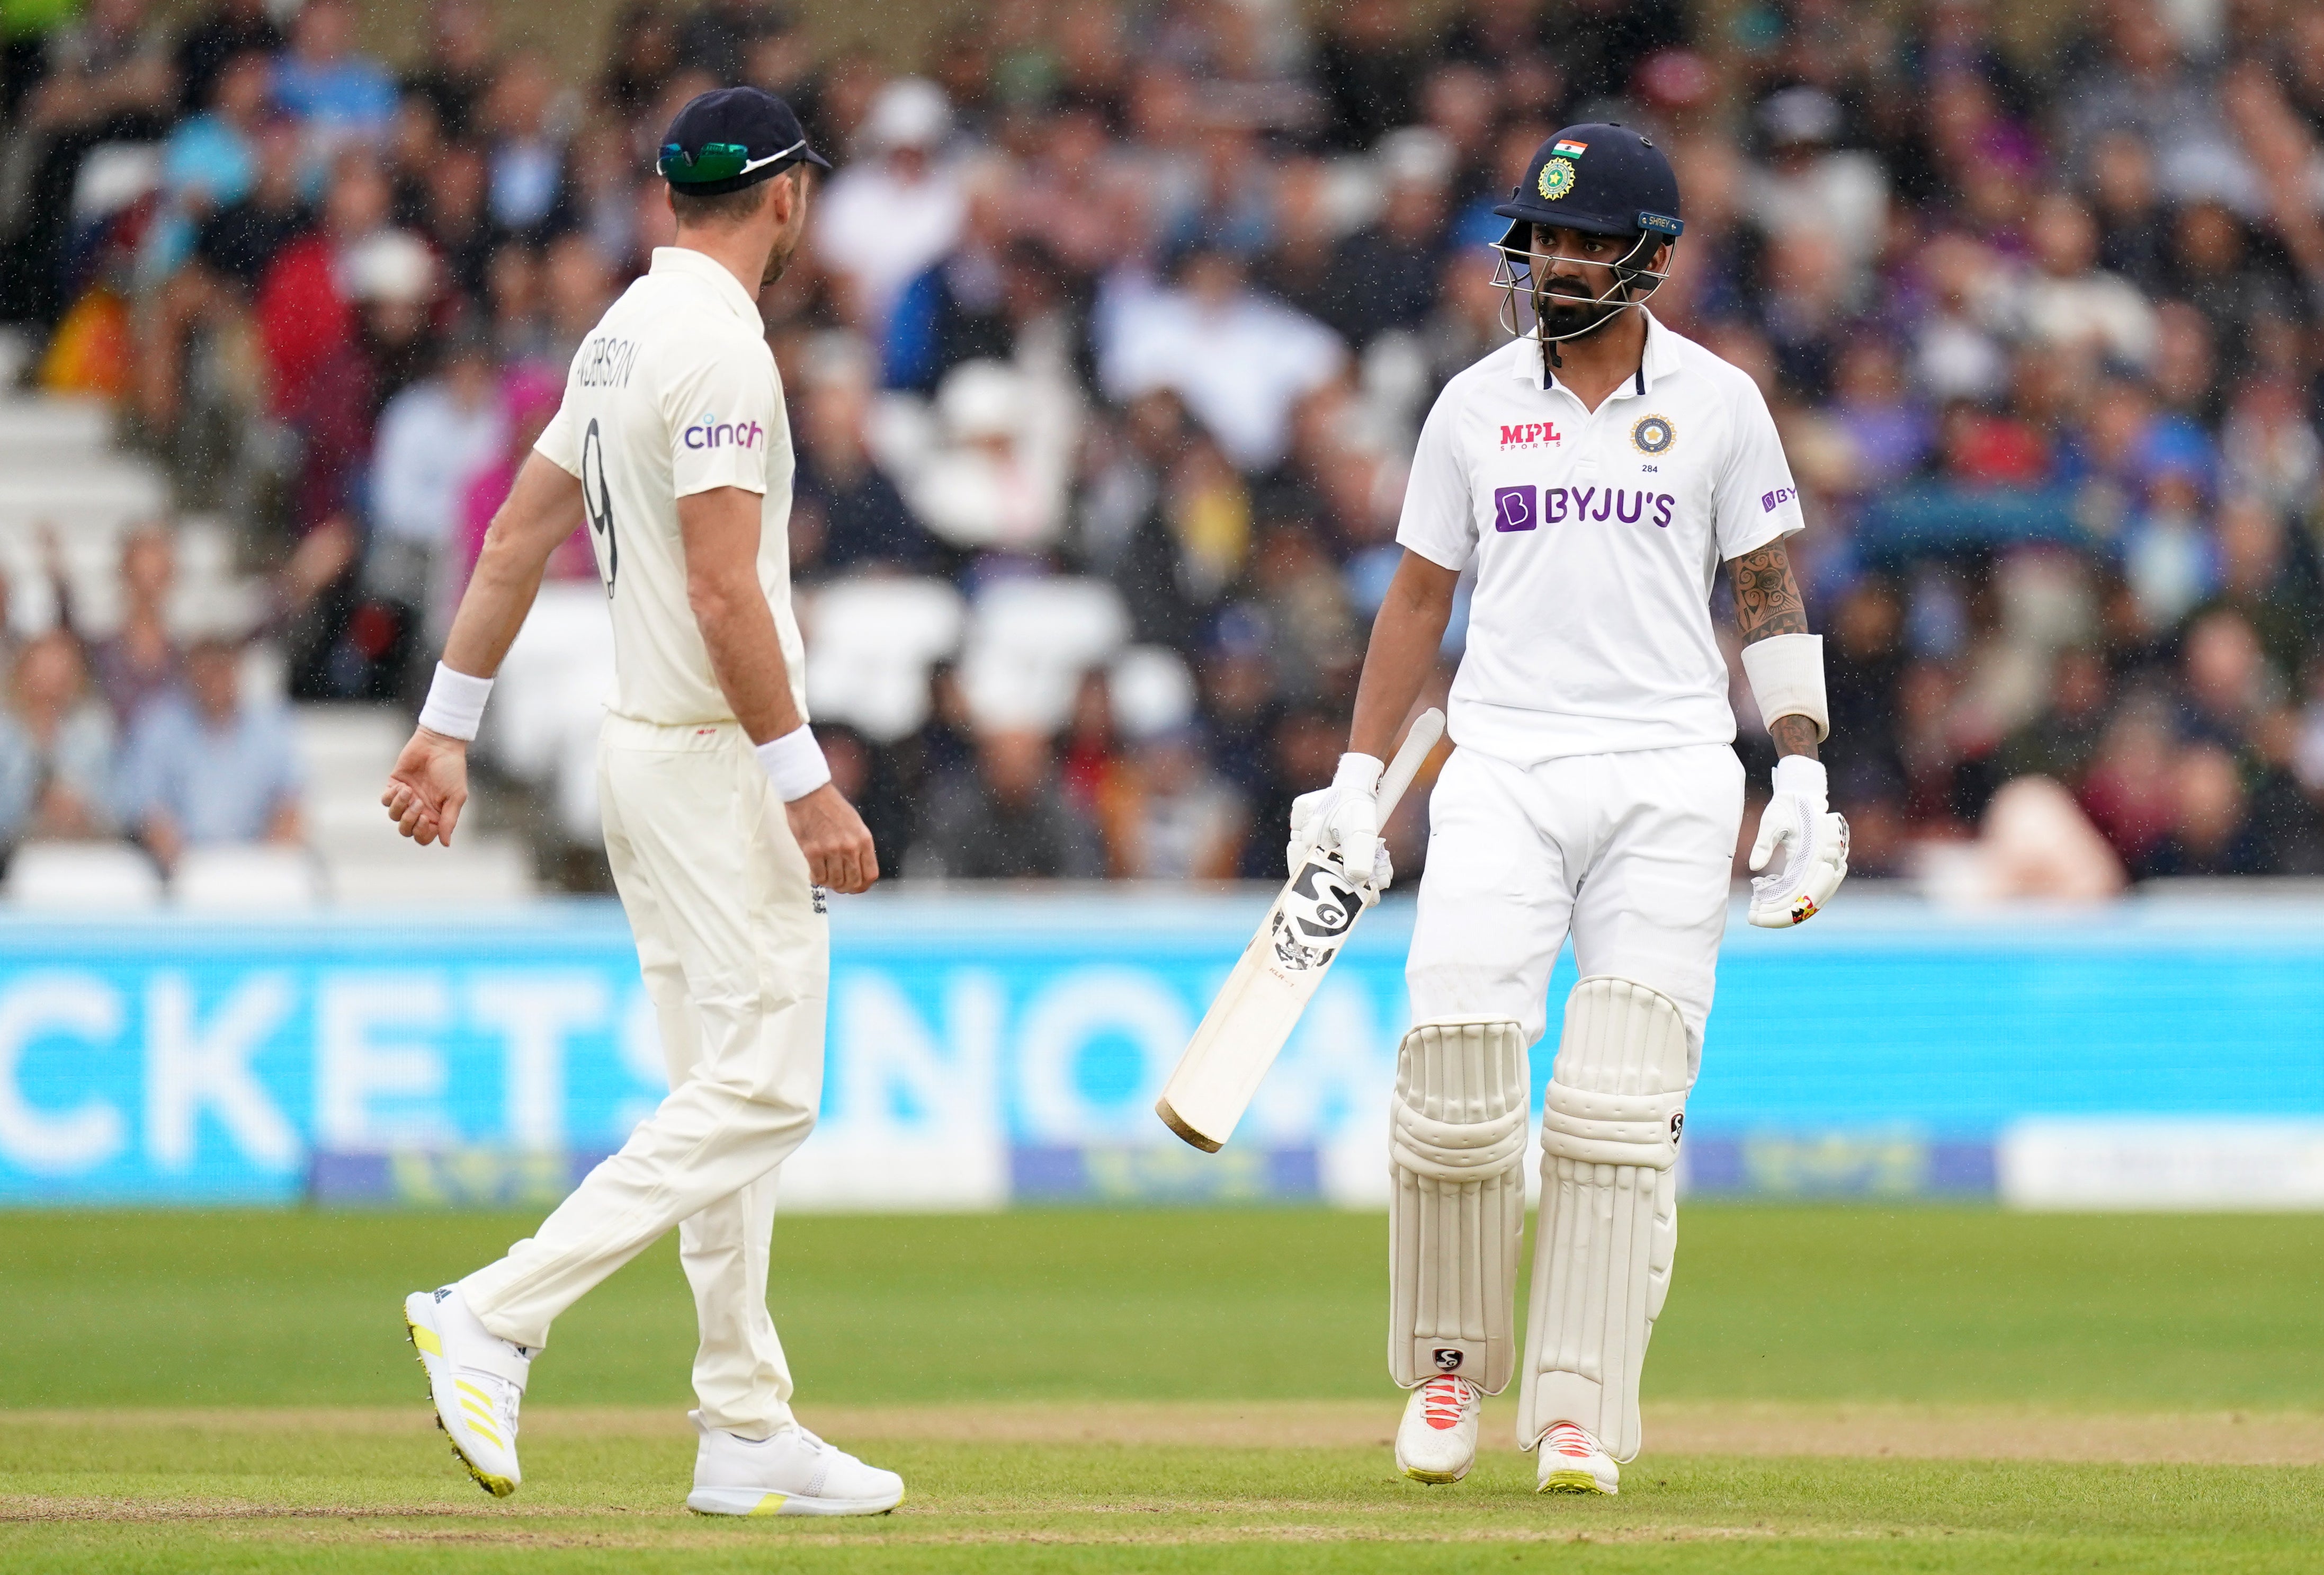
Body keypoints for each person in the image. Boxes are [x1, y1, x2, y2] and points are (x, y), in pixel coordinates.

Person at [1285, 126, 1848, 1497]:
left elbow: (1765, 585)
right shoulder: (1470, 406)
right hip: (1503, 768)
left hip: (1667, 773)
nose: (1554, 262)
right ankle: (1443, 1373)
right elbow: (1417, 600)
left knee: (1612, 1112)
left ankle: (1576, 1413)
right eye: (1540, 238)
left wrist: (1802, 764)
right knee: (1457, 1069)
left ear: (1650, 259)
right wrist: (1357, 787)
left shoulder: (1717, 403)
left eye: (1589, 240)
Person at [379, 87, 900, 1518]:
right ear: (785, 197)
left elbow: (513, 536)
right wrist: (803, 783)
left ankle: (743, 1423)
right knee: (768, 1087)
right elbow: (725, 585)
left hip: (639, 752)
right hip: (714, 764)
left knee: (717, 1098)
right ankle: (497, 1311)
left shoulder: (618, 333)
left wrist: (446, 727)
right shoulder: (720, 347)